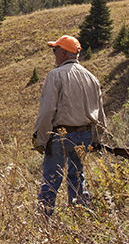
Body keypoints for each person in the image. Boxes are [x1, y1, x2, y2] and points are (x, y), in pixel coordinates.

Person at [33, 34, 105, 215]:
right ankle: (81, 215)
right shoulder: (92, 78)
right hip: (85, 135)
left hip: (61, 136)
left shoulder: (55, 75)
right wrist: (97, 140)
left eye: (55, 50)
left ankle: (45, 222)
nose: (54, 54)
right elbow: (100, 113)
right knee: (77, 177)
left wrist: (41, 140)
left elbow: (47, 112)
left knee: (51, 180)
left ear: (64, 52)